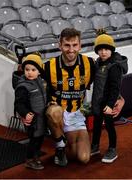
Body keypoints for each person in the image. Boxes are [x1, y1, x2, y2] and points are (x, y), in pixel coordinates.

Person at [43, 28, 125, 167]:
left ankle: (67, 143)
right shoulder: (48, 66)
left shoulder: (90, 64)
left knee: (83, 158)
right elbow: (33, 85)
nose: (71, 49)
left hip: (77, 115)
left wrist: (120, 98)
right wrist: (23, 112)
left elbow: (104, 83)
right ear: (60, 45)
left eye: (75, 45)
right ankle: (59, 146)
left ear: (80, 46)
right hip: (59, 115)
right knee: (53, 111)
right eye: (67, 45)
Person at [91, 30, 128, 163]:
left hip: (108, 103)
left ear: (111, 50)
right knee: (96, 125)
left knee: (109, 126)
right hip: (97, 101)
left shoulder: (114, 66)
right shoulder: (98, 63)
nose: (103, 52)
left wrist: (110, 105)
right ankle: (95, 146)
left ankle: (112, 149)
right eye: (100, 49)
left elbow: (115, 88)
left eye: (106, 49)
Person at [14, 54, 47, 170]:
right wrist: (25, 113)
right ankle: (29, 160)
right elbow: (19, 103)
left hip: (42, 118)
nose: (30, 72)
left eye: (33, 70)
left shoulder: (40, 81)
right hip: (33, 120)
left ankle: (35, 156)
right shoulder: (23, 86)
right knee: (34, 140)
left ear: (39, 71)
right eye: (27, 70)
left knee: (40, 139)